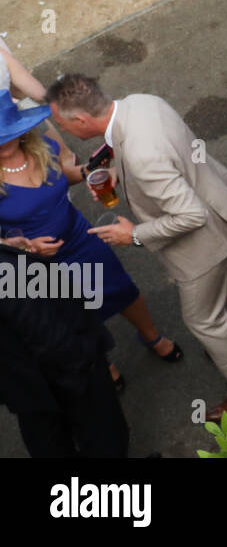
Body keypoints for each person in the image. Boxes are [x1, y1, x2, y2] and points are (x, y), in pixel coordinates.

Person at [48, 74, 227, 424]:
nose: (61, 130)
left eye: (60, 123)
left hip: (201, 248)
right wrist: (117, 167)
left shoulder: (140, 156)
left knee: (204, 320)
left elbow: (190, 215)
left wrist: (134, 234)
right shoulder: (140, 101)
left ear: (81, 120)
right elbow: (158, 152)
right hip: (223, 211)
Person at [0, 91, 183, 390]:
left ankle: (152, 337)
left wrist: (89, 171)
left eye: (10, 132)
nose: (6, 140)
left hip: (79, 236)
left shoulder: (42, 147)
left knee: (121, 290)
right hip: (34, 262)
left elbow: (64, 174)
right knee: (74, 315)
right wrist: (26, 247)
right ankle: (105, 362)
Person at [0, 235, 128, 458]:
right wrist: (85, 360)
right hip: (66, 372)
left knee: (49, 438)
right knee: (104, 436)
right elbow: (46, 333)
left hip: (20, 378)